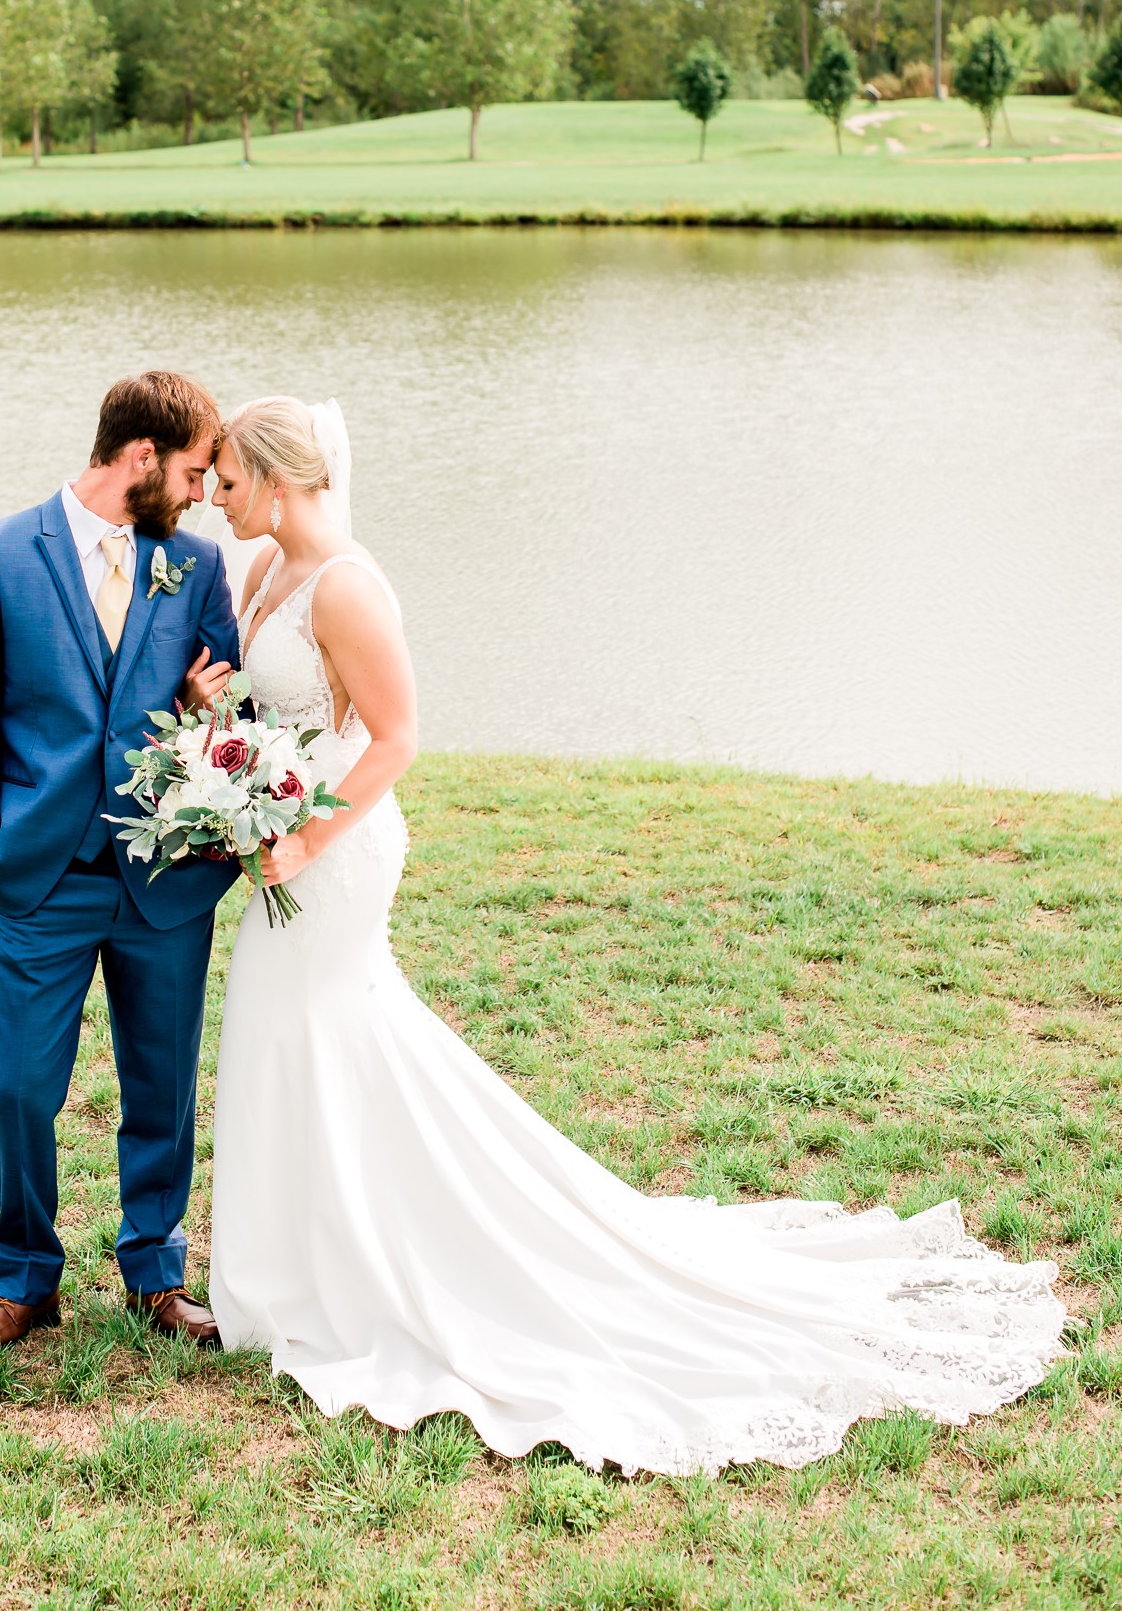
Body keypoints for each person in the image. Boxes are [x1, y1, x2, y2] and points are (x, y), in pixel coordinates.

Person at [185, 395, 1065, 1477]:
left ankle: (362, 1272)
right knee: (288, 1036)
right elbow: (282, 711)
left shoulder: (348, 584)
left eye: (225, 480)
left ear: (274, 479)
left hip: (336, 851)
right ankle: (295, 1269)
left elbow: (400, 733)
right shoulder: (261, 568)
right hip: (288, 839)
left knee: (317, 1028)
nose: (211, 496)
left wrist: (310, 838)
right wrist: (217, 723)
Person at [0, 371, 239, 1356]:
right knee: (20, 1085)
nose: (201, 495)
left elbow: (226, 720)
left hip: (163, 878)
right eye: (192, 472)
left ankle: (154, 1269)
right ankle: (25, 1278)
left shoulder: (191, 567)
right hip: (42, 874)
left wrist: (204, 707)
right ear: (140, 457)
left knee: (162, 1086)